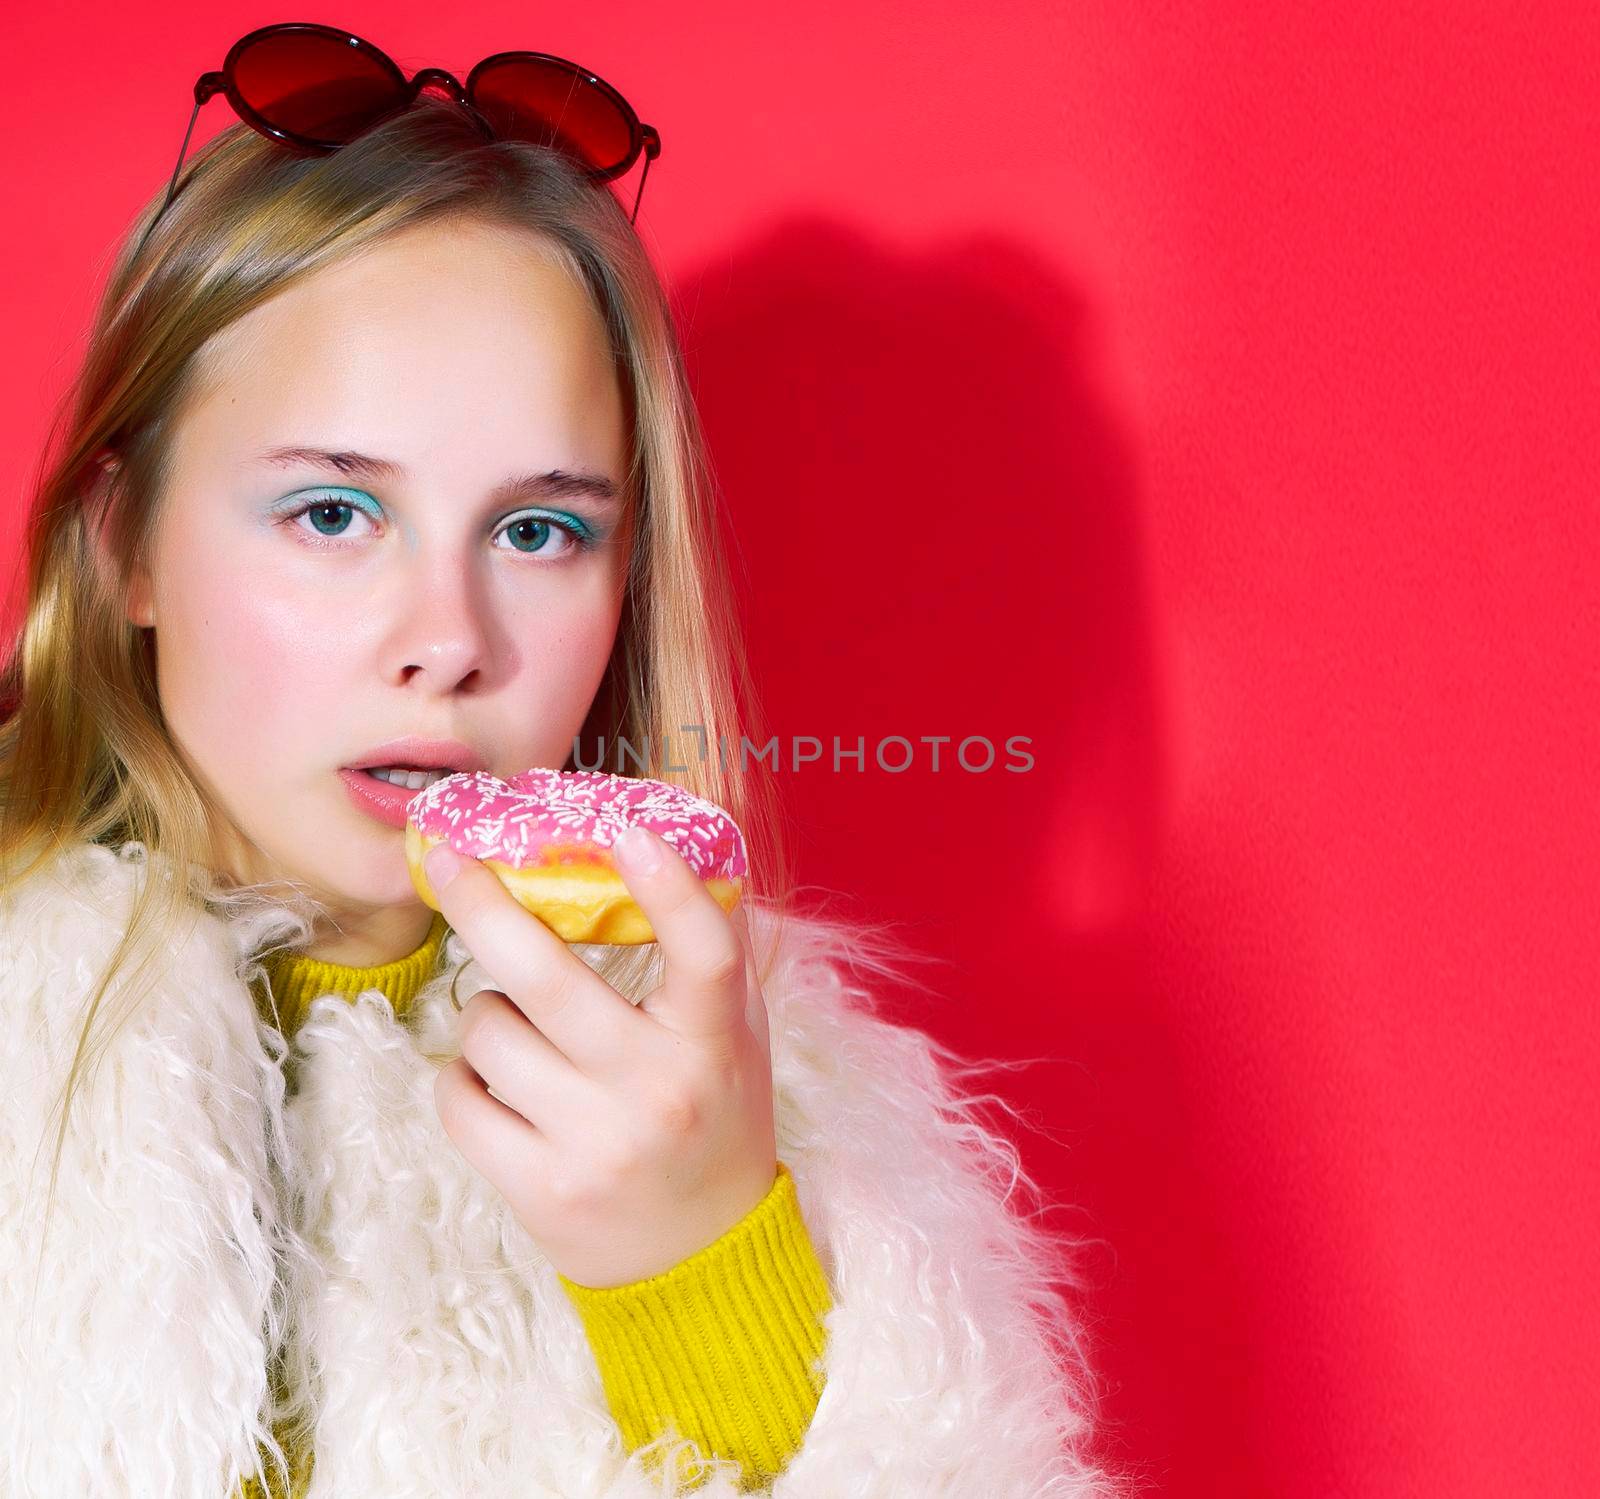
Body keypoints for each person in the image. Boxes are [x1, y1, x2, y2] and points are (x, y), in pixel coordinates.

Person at [0, 63, 1126, 1499]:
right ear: (124, 549)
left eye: (537, 533)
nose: (452, 644)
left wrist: (703, 1264)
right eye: (334, 511)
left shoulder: (781, 1113)